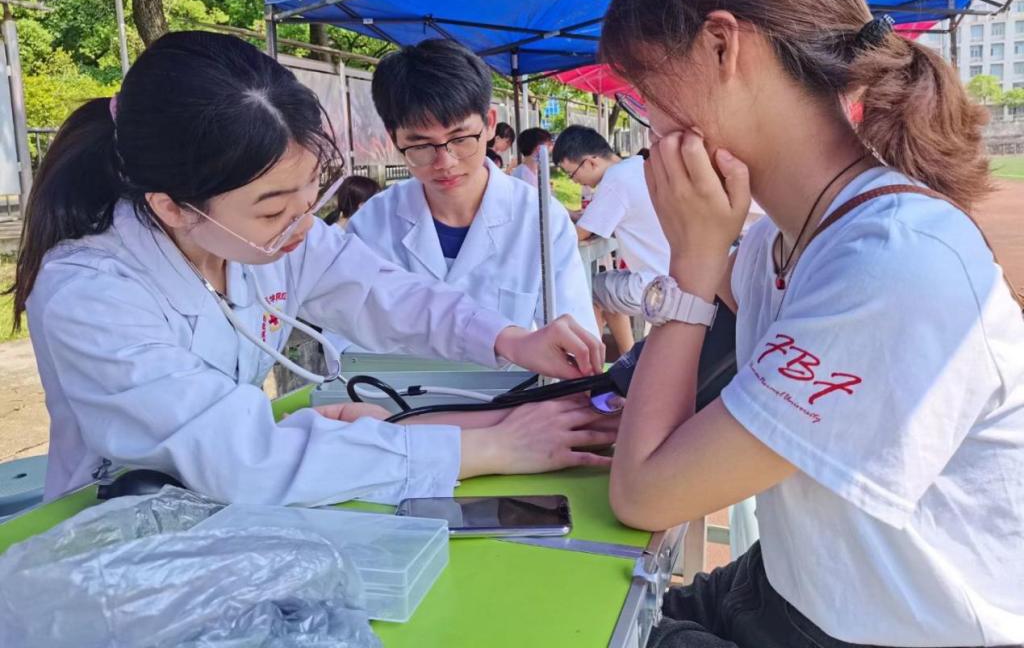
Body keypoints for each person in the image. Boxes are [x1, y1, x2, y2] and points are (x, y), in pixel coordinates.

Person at [601, 0, 1024, 648]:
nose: (652, 128)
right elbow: (664, 382)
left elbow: (645, 492)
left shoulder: (896, 266)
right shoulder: (785, 241)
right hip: (792, 586)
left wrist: (693, 264)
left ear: (722, 46)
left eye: (649, 92)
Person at [12, 31, 614, 507]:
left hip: (231, 517)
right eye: (274, 209)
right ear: (173, 207)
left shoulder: (274, 242)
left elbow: (385, 294)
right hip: (122, 529)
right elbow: (238, 456)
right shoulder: (89, 293)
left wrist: (509, 339)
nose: (303, 226)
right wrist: (486, 448)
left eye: (311, 196)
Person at [346, 39, 598, 339]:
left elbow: (576, 338)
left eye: (460, 138)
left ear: (489, 124)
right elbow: (345, 339)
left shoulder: (542, 220)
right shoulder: (372, 225)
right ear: (394, 138)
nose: (445, 162)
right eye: (421, 145)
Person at [553, 125, 670, 353]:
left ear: (590, 162)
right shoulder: (635, 166)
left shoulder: (615, 181)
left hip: (655, 285)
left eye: (572, 174)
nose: (574, 181)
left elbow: (578, 235)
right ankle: (628, 357)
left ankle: (592, 363)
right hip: (673, 275)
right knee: (606, 285)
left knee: (591, 289)